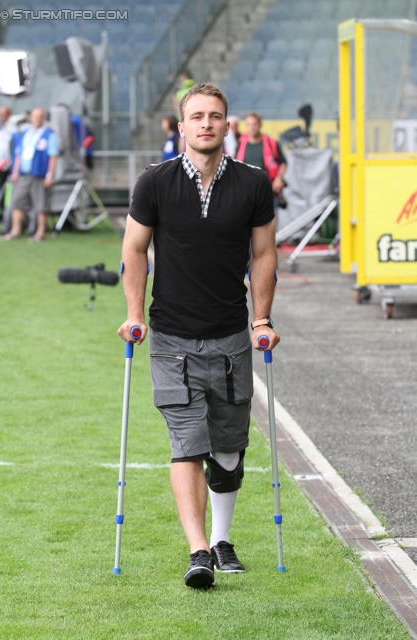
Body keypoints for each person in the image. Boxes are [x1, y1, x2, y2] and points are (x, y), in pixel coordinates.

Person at [118, 83, 280, 589]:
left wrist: (261, 319)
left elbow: (264, 255)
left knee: (228, 449)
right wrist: (133, 312)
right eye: (197, 116)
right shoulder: (155, 182)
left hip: (232, 336)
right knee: (187, 442)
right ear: (182, 125)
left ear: (227, 125)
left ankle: (224, 538)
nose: (206, 123)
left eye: (215, 116)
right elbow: (134, 248)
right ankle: (199, 550)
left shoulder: (253, 185)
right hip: (171, 338)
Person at [0, 107, 59, 241]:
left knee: (40, 204)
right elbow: (18, 154)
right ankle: (16, 231)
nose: (36, 119)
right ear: (30, 118)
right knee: (16, 202)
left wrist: (50, 175)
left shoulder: (49, 134)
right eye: (34, 116)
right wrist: (15, 172)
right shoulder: (25, 133)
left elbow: (53, 156)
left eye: (39, 116)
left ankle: (40, 232)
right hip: (23, 175)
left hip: (39, 175)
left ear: (43, 118)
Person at [236, 112, 287, 204]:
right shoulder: (240, 144)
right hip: (246, 193)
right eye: (249, 124)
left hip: (268, 191)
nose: (252, 127)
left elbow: (283, 163)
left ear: (260, 125)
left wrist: (279, 178)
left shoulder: (271, 143)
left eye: (254, 124)